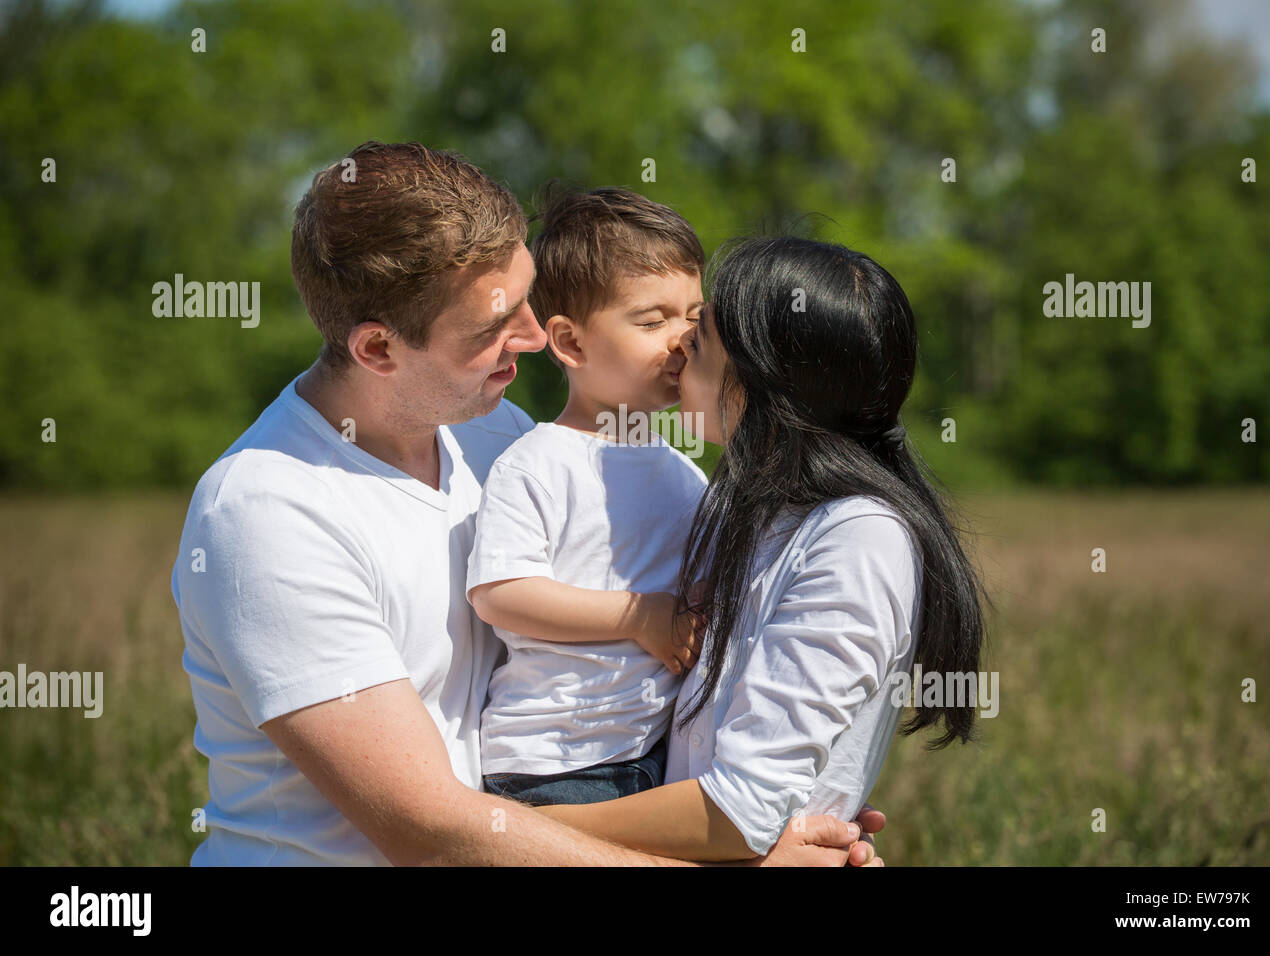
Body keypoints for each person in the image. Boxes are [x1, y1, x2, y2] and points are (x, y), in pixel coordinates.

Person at [171, 141, 879, 865]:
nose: (537, 338)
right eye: (492, 327)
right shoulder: (268, 514)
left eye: (529, 300)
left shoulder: (493, 433)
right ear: (378, 349)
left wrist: (788, 809)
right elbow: (431, 833)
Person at [537, 236, 988, 861]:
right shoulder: (738, 510)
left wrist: (505, 827)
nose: (676, 350)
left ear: (757, 382)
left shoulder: (859, 539)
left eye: (698, 343)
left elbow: (735, 813)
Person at [467, 187, 710, 806]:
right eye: (652, 321)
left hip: (653, 753)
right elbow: (501, 592)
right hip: (553, 763)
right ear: (571, 344)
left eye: (694, 317)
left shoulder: (687, 473)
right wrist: (641, 616)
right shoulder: (538, 463)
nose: (681, 340)